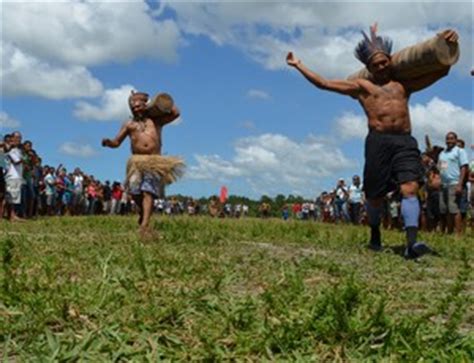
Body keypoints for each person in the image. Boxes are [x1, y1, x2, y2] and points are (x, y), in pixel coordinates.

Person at [287, 24, 459, 258]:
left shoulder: (403, 85)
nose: (381, 66)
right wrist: (299, 65)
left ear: (390, 60)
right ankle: (375, 233)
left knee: (410, 189)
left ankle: (411, 244)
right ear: (368, 67)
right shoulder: (361, 87)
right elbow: (323, 83)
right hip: (378, 143)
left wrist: (447, 42)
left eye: (384, 61)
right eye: (375, 64)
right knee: (376, 197)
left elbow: (440, 71)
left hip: (405, 142)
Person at [102, 91, 183, 237]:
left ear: (145, 105)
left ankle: (145, 224)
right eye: (133, 107)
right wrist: (109, 143)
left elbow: (176, 113)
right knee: (134, 192)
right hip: (136, 161)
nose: (136, 109)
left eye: (139, 106)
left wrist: (159, 103)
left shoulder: (156, 121)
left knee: (148, 191)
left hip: (154, 161)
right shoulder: (129, 124)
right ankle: (143, 212)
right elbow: (116, 142)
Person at [437, 132, 469, 235]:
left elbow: (464, 167)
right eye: (447, 139)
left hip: (454, 183)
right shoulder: (443, 153)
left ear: (455, 140)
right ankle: (449, 232)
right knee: (445, 210)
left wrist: (460, 184)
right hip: (444, 184)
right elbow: (442, 168)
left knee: (454, 210)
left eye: (451, 139)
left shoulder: (460, 151)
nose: (449, 141)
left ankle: (458, 234)